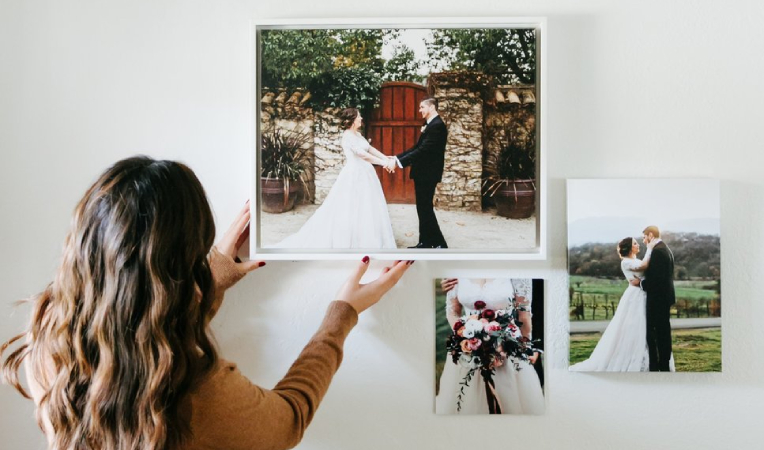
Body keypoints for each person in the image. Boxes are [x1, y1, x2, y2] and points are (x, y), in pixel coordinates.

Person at [0, 156, 411, 450]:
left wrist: (214, 273)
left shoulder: (48, 343)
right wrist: (342, 315)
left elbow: (136, 316)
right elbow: (286, 422)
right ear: (184, 262)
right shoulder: (194, 393)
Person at [267, 107, 397, 249]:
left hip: (366, 173)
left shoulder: (358, 135)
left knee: (367, 206)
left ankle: (366, 238)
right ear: (352, 120)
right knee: (350, 207)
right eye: (359, 116)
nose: (361, 119)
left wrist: (386, 157)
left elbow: (369, 149)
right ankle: (351, 240)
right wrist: (384, 163)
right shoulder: (347, 136)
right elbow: (362, 154)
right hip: (354, 174)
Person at [435, 278, 544, 414]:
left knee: (508, 402)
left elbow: (524, 315)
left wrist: (526, 347)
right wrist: (466, 336)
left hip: (506, 348)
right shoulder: (457, 270)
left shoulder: (517, 270)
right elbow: (453, 312)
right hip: (469, 350)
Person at [570, 237, 658, 372]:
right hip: (635, 296)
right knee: (634, 324)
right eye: (635, 243)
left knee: (644, 324)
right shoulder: (626, 262)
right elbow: (643, 267)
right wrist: (650, 249)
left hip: (643, 292)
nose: (637, 244)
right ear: (629, 247)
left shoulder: (636, 260)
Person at [385, 97, 448, 249]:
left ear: (431, 107)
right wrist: (397, 157)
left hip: (428, 174)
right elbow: (417, 147)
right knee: (423, 208)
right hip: (423, 173)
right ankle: (426, 242)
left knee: (425, 208)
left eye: (422, 107)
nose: (419, 110)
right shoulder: (431, 124)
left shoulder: (437, 126)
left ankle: (439, 243)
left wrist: (398, 163)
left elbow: (423, 150)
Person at [634, 226, 676, 371]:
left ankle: (659, 364)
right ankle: (663, 362)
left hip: (658, 298)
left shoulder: (658, 252)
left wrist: (641, 283)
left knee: (656, 332)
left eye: (644, 237)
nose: (644, 241)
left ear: (650, 235)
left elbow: (657, 278)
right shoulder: (664, 248)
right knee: (663, 331)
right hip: (664, 297)